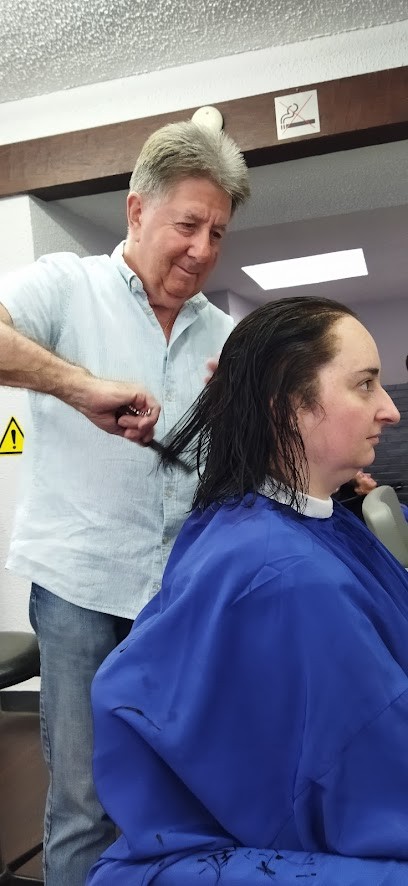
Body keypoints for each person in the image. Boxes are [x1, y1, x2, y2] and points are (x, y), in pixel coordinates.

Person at [0, 120, 250, 885]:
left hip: (176, 598)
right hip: (78, 587)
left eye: (217, 232)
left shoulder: (226, 334)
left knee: (178, 789)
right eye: (188, 224)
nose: (203, 250)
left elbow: (243, 467)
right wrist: (79, 386)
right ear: (136, 210)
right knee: (84, 800)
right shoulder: (62, 284)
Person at [88, 296, 408, 885]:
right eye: (365, 384)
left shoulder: (284, 522)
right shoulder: (286, 574)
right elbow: (372, 785)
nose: (388, 409)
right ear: (287, 407)